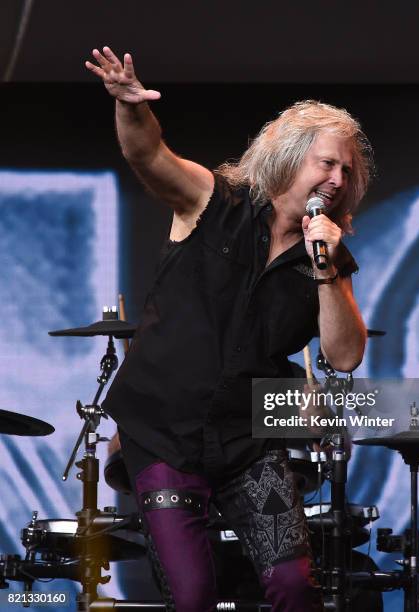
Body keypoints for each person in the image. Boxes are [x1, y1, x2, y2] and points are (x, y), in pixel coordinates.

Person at [86, 46, 372, 612]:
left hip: (249, 443)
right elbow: (152, 157)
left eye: (347, 169)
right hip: (163, 433)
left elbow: (344, 356)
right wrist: (130, 108)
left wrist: (326, 270)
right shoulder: (213, 202)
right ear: (289, 159)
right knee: (192, 595)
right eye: (326, 163)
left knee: (294, 586)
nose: (337, 178)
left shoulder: (328, 260)